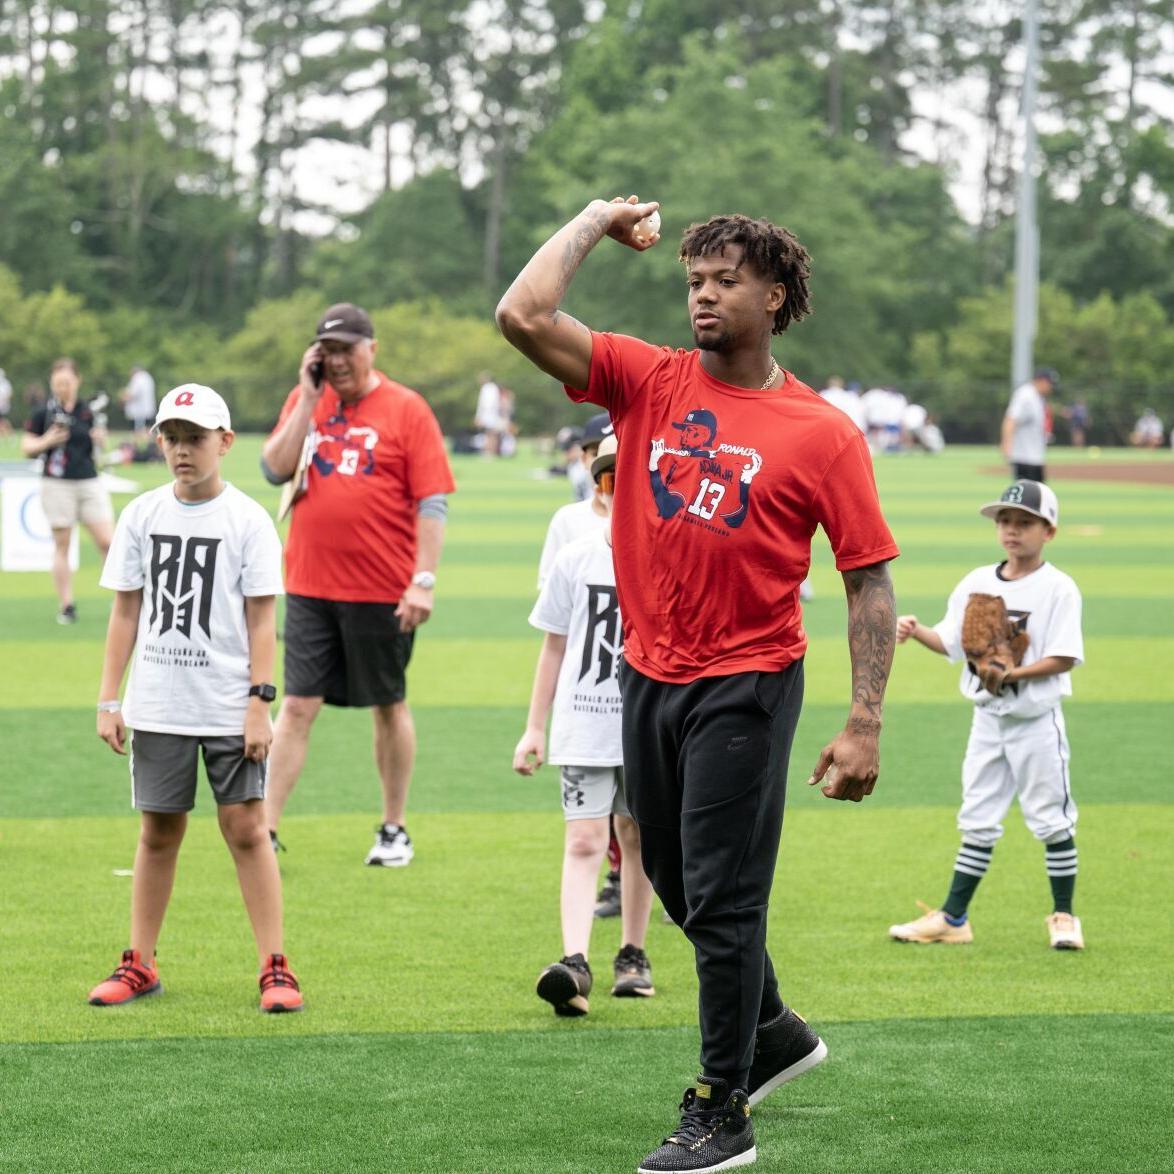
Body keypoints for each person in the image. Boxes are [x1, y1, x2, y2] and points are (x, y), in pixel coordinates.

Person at [497, 199, 900, 1173]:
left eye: (724, 280)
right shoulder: (647, 380)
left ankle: (723, 1107)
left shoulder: (821, 433)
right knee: (677, 885)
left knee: (722, 896)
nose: (704, 295)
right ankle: (774, 1031)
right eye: (693, 281)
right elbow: (520, 315)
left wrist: (864, 720)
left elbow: (867, 579)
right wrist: (594, 220)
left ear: (773, 295)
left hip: (748, 682)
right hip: (649, 675)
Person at [89, 383, 302, 1012]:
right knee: (158, 830)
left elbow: (263, 620)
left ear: (225, 443)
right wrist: (109, 697)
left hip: (228, 702)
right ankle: (140, 963)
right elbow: (126, 611)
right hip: (158, 701)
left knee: (246, 827)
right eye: (172, 438)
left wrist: (259, 702)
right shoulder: (142, 515)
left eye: (196, 438)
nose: (182, 450)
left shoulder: (248, 520)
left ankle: (275, 966)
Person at [261, 303, 455, 866]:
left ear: (371, 348)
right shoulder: (309, 400)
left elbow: (433, 501)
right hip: (308, 584)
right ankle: (265, 830)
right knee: (296, 704)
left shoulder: (407, 408)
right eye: (328, 350)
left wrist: (423, 580)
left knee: (388, 703)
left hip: (383, 588)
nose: (338, 360)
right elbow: (273, 468)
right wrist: (305, 395)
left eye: (348, 348)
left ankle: (394, 828)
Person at [889, 479, 1084, 951]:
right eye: (1004, 521)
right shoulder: (977, 581)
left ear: (1049, 530)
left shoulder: (1058, 588)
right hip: (987, 722)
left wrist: (1012, 675)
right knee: (977, 817)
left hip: (1036, 724)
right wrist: (917, 632)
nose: (1012, 530)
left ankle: (1064, 917)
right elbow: (951, 643)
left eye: (1024, 522)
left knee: (1052, 819)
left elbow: (1064, 656)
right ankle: (953, 918)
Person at [514, 433, 656, 1014]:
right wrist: (534, 728)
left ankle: (633, 953)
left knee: (639, 836)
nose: (617, 490)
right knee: (584, 838)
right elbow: (554, 648)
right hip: (584, 721)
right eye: (607, 479)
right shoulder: (575, 557)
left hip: (647, 723)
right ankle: (576, 963)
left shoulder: (671, 555)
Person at [21, 357, 114, 624]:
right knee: (63, 543)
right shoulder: (44, 412)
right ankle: (66, 604)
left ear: (77, 381)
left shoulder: (88, 410)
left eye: (67, 382)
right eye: (58, 383)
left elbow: (100, 445)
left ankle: (119, 598)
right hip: (57, 482)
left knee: (108, 541)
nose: (62, 387)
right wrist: (47, 440)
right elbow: (27, 447)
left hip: (88, 480)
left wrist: (100, 438)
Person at [1002, 367, 1057, 481]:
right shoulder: (1025, 395)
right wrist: (1007, 445)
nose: (1051, 388)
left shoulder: (1038, 397)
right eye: (1050, 384)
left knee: (1040, 495)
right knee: (1028, 496)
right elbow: (1011, 419)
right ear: (1041, 381)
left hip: (1035, 458)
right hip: (1024, 458)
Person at [121, 365, 157, 441]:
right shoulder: (148, 377)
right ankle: (149, 444)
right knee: (148, 429)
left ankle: (140, 444)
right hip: (148, 409)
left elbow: (132, 394)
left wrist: (122, 399)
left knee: (139, 431)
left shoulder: (138, 378)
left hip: (139, 411)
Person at [474, 370, 503, 456]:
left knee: (490, 434)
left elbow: (484, 404)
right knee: (491, 434)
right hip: (492, 415)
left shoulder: (487, 388)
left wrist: (479, 417)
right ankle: (491, 451)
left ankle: (490, 452)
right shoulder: (494, 388)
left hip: (489, 415)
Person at [0, 367, 12, 437]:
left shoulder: (5, 383)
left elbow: (9, 394)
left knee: (3, 420)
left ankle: (8, 432)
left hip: (3, 406)